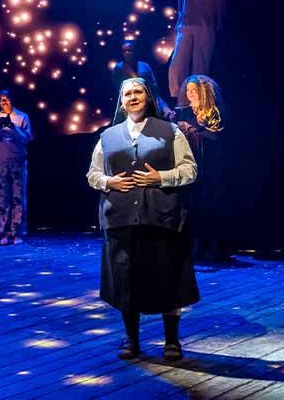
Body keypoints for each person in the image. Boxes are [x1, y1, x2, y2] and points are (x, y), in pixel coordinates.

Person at [86, 78, 199, 361]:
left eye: (138, 92)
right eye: (128, 94)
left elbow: (190, 169)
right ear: (121, 102)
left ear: (148, 98)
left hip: (160, 216)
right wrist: (109, 181)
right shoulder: (108, 136)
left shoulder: (169, 131)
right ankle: (131, 339)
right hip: (121, 218)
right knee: (126, 278)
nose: (133, 97)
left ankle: (172, 341)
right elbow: (92, 174)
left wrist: (160, 177)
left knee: (167, 275)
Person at [170, 74, 228, 261]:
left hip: (208, 162)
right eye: (188, 90)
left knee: (208, 203)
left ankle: (213, 245)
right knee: (191, 204)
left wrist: (195, 130)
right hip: (189, 160)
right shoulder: (182, 111)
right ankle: (195, 244)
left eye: (194, 90)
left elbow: (215, 136)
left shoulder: (211, 112)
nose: (191, 93)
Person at [168, 0, 226, 105]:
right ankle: (179, 97)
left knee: (201, 62)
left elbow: (220, 3)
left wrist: (219, 22)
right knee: (178, 62)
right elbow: (180, 6)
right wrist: (179, 24)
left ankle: (198, 95)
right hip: (186, 26)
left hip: (206, 26)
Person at [0, 89, 32, 245]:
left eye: (7, 99)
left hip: (17, 162)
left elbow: (26, 139)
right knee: (2, 199)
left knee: (18, 198)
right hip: (0, 164)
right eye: (1, 99)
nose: (4, 102)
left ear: (12, 100)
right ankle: (3, 232)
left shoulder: (22, 117)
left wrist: (13, 127)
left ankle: (16, 232)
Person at [113, 40, 174, 120]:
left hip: (149, 112)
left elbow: (154, 92)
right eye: (124, 51)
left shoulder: (145, 66)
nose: (127, 53)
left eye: (129, 50)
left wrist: (166, 110)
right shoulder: (119, 68)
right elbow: (120, 94)